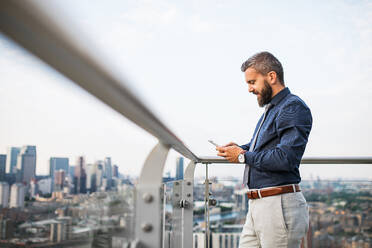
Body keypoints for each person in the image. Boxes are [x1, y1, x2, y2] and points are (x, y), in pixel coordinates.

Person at [216, 51, 312, 248]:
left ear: (271, 76)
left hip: (279, 205)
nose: (250, 89)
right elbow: (260, 147)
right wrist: (239, 149)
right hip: (258, 206)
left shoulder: (292, 107)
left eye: (252, 82)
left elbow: (286, 158)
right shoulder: (273, 109)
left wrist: (242, 157)